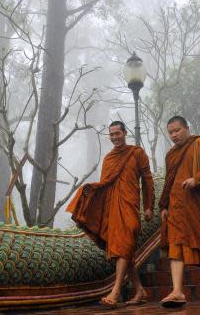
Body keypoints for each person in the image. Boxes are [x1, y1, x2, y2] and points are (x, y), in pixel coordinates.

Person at [66, 121, 154, 308]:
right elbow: (104, 187)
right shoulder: (109, 159)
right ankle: (139, 290)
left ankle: (115, 291)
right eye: (112, 134)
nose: (115, 137)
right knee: (123, 249)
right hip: (114, 210)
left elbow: (148, 181)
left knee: (125, 245)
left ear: (125, 133)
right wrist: (87, 208)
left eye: (117, 133)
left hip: (130, 207)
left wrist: (149, 206)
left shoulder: (137, 153)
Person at [158, 116, 200, 308]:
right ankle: (177, 291)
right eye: (170, 132)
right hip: (176, 204)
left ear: (186, 128)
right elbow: (168, 179)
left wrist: (197, 179)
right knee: (175, 244)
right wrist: (164, 205)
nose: (174, 135)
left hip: (198, 202)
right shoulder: (170, 155)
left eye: (177, 130)